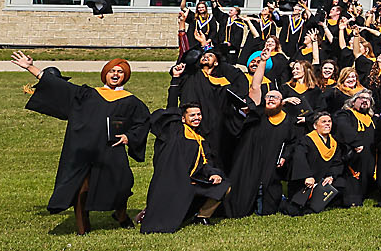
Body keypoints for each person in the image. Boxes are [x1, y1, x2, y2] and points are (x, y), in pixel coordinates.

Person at [15, 53, 149, 233]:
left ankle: (121, 214)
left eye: (120, 72)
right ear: (105, 74)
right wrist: (30, 67)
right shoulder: (88, 93)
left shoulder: (131, 101)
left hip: (111, 149)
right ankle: (82, 226)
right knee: (81, 189)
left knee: (123, 184)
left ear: (126, 76)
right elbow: (59, 87)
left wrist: (129, 137)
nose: (115, 74)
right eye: (111, 71)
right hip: (83, 149)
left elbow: (142, 123)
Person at [220, 59, 295, 218]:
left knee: (267, 209)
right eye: (268, 96)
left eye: (275, 97)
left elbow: (291, 143)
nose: (271, 99)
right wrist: (262, 62)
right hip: (250, 157)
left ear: (282, 102)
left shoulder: (288, 120)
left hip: (271, 161)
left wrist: (284, 157)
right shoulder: (258, 113)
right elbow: (255, 86)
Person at [140, 103, 230, 233]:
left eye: (199, 114)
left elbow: (206, 163)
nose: (196, 118)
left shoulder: (200, 139)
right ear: (183, 118)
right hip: (173, 180)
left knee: (224, 186)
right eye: (192, 115)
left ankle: (202, 216)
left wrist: (214, 174)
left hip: (192, 181)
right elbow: (163, 115)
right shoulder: (175, 131)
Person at [287, 110, 347, 215]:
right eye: (323, 122)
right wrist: (307, 176)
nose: (327, 124)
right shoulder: (306, 140)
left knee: (341, 184)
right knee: (294, 210)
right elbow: (299, 158)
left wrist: (331, 175)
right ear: (315, 125)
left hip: (322, 180)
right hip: (306, 180)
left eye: (329, 121)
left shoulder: (334, 143)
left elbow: (337, 162)